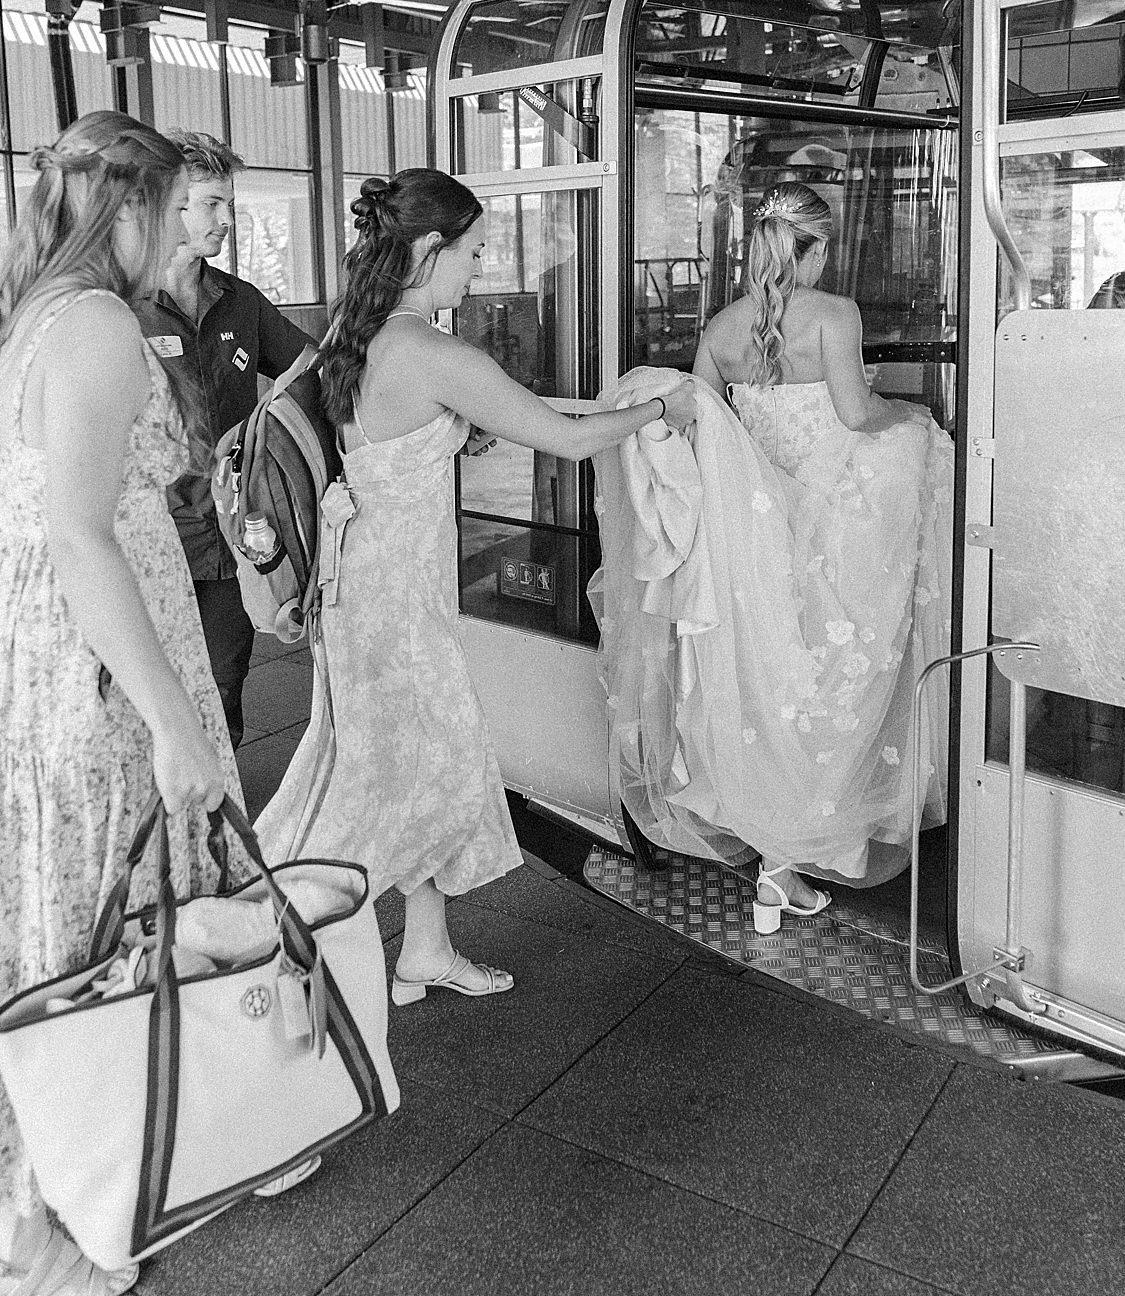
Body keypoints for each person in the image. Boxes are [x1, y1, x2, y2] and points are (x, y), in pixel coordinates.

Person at [257, 169, 695, 1005]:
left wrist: (452, 435)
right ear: (429, 250)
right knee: (381, 777)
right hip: (399, 607)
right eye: (475, 252)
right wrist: (656, 411)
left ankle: (421, 947)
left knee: (405, 763)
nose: (481, 270)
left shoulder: (364, 330)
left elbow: (388, 433)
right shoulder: (435, 350)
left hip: (368, 592)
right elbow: (565, 439)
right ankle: (266, 948)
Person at [0, 114, 243, 1296]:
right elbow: (87, 538)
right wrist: (176, 719)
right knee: (105, 916)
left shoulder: (37, 312)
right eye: (178, 204)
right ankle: (53, 1219)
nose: (191, 234)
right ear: (131, 206)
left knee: (66, 921)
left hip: (56, 654)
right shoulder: (94, 321)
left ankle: (68, 1193)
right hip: (105, 664)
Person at [687, 182, 954, 924]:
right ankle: (788, 860)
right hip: (837, 528)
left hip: (754, 538)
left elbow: (702, 429)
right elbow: (856, 413)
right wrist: (913, 411)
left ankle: (777, 867)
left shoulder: (720, 329)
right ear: (815, 247)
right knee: (833, 688)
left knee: (773, 690)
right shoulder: (836, 314)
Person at [132, 132, 314, 751]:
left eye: (230, 204)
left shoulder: (241, 303)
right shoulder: (117, 309)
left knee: (221, 689)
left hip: (229, 542)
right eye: (212, 203)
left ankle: (219, 832)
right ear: (170, 203)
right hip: (147, 543)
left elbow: (314, 375)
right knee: (144, 703)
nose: (228, 220)